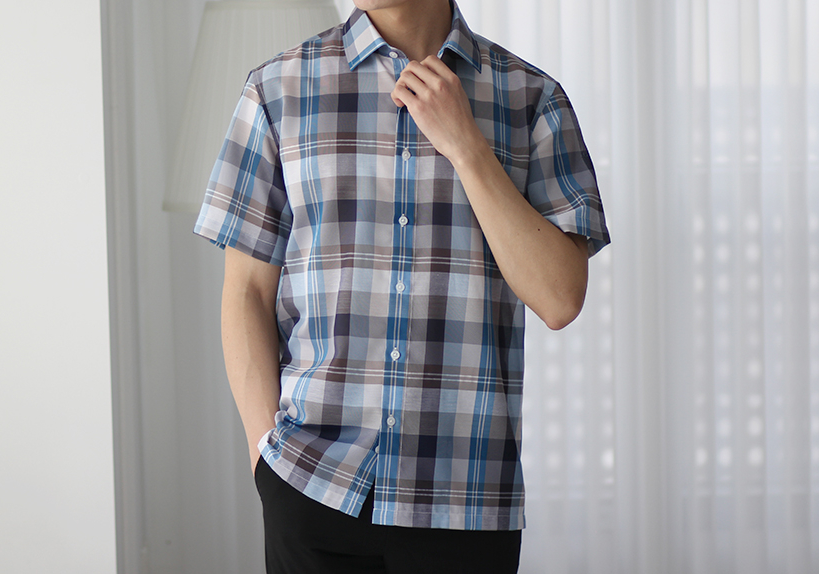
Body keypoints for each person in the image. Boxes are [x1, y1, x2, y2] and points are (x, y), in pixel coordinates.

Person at [194, 0, 609, 571]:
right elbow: (247, 292)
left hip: (466, 502)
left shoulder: (532, 99)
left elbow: (560, 298)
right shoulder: (276, 90)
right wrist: (264, 455)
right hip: (311, 484)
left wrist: (466, 145)